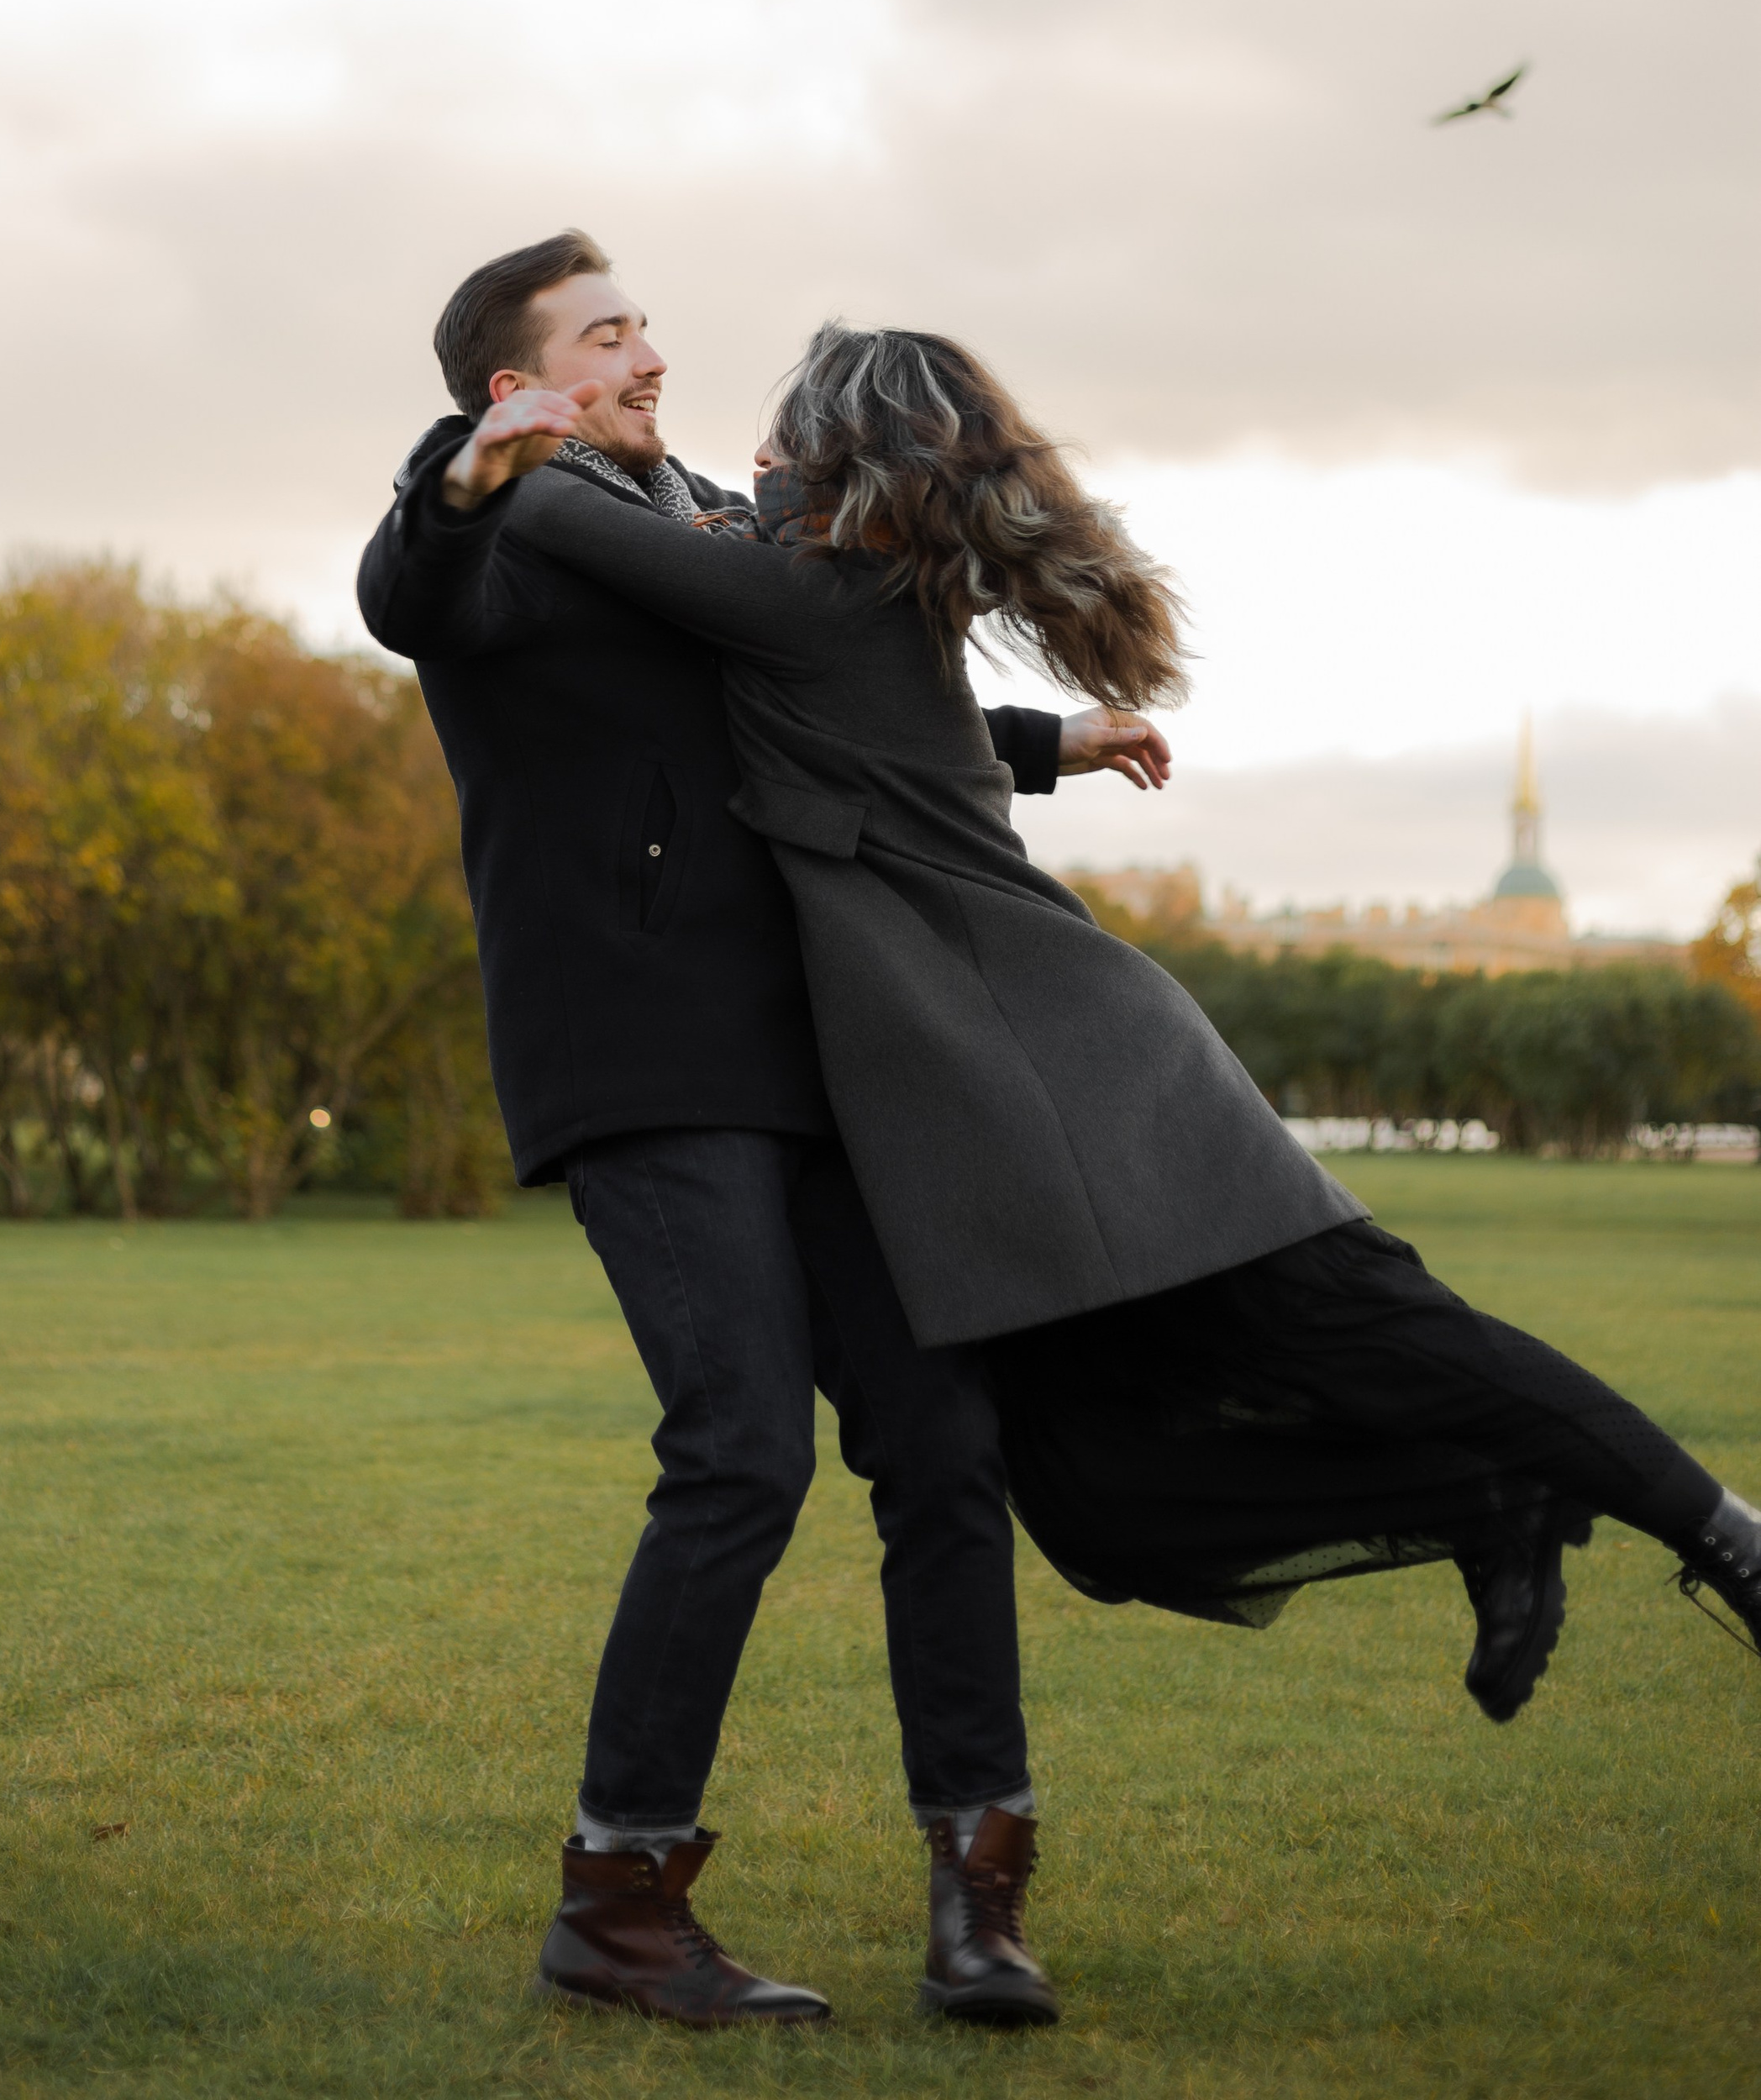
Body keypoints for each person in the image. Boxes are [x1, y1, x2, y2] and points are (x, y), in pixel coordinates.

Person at [467, 318, 1761, 1729]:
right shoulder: (834, 588)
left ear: (844, 465)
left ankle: (1725, 1536)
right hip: (1002, 1083)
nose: (754, 455)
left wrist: (490, 425)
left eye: (785, 438)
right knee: (1098, 1506)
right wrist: (1055, 740)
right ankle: (1490, 1500)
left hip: (1086, 1059)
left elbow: (542, 505)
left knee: (1380, 1330)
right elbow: (858, 708)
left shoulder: (809, 592)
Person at [358, 239, 1155, 2031]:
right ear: (514, 387)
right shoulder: (502, 527)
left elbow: (837, 683)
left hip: (816, 1057)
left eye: (640, 319)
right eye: (601, 332)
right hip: (639, 1057)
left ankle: (977, 1893)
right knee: (737, 1451)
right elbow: (407, 592)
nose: (645, 347)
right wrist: (457, 474)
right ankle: (618, 1901)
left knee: (942, 1439)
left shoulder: (712, 517)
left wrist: (1046, 740)